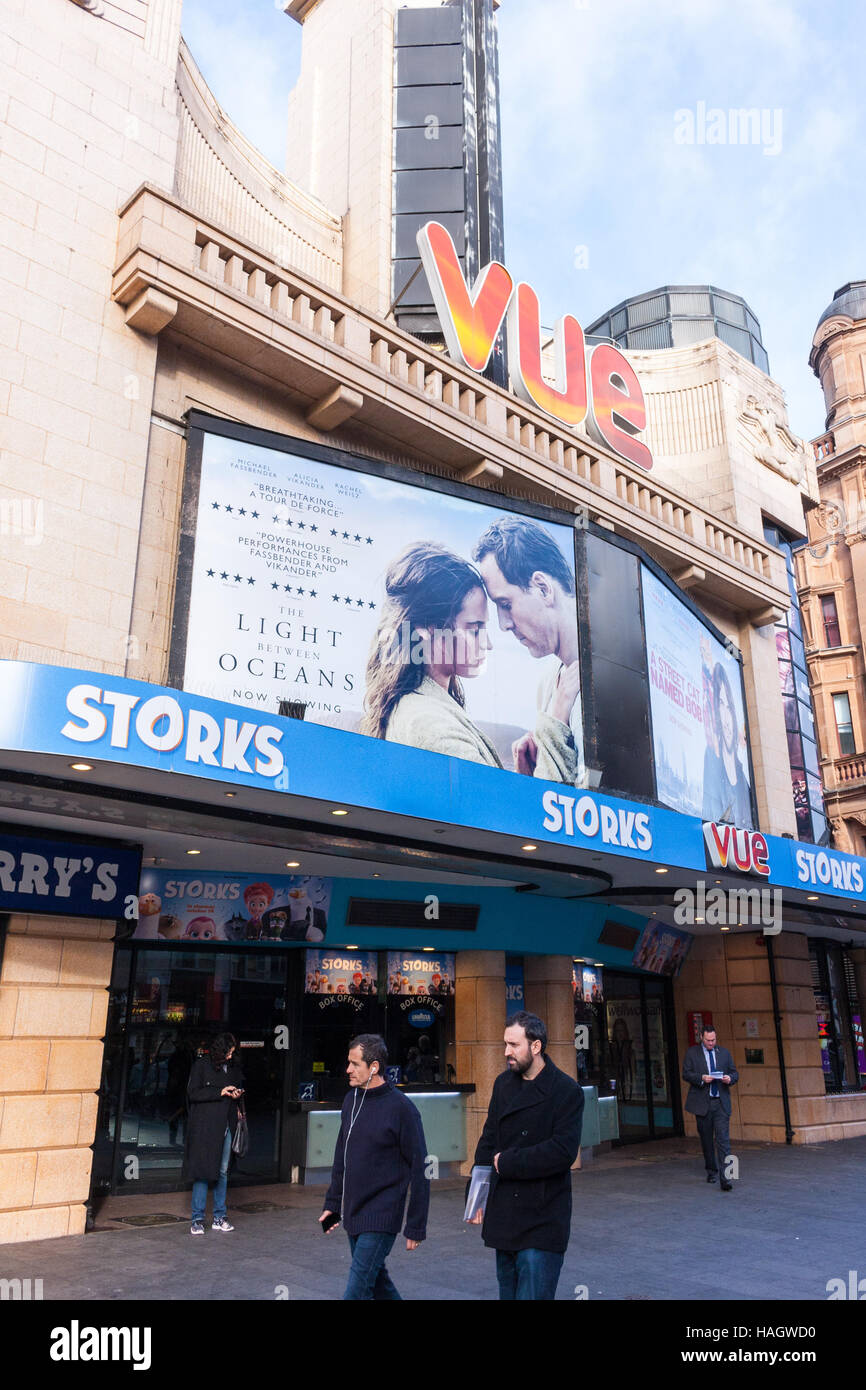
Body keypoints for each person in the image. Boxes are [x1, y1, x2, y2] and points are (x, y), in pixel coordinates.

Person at [361, 540, 576, 779]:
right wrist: (557, 721)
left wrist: (523, 783)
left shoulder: (426, 710)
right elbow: (504, 817)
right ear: (427, 629)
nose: (487, 643)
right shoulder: (429, 724)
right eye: (474, 628)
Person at [470, 1011, 584, 1300]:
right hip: (504, 1214)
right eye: (505, 1044)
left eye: (514, 1045)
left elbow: (563, 1152)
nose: (506, 1052)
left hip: (543, 1217)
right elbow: (488, 1140)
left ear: (536, 1047)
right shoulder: (502, 1083)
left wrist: (509, 1162)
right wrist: (477, 1196)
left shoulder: (566, 1090)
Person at [473, 515, 584, 785]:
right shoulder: (549, 685)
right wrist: (530, 782)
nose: (503, 624)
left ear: (543, 588)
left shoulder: (608, 674)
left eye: (506, 604)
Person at [320, 1034, 429, 1299]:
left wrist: (415, 1225)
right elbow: (341, 1156)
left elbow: (421, 1168)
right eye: (349, 1063)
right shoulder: (350, 1100)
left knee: (356, 1291)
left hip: (382, 1216)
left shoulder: (402, 1109)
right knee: (378, 1283)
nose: (348, 1069)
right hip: (353, 1212)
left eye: (355, 1064)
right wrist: (332, 1204)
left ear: (375, 1067)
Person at [183, 1032, 245, 1234]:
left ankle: (219, 1216)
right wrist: (219, 1092)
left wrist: (236, 1093)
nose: (230, 1056)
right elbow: (193, 1093)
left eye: (232, 1053)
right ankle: (197, 1218)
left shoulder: (233, 1068)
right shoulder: (201, 1065)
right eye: (228, 1052)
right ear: (220, 1050)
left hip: (227, 1123)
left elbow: (239, 1087)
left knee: (222, 1171)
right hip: (206, 1126)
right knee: (203, 1170)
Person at [682, 1025, 738, 1191]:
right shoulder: (692, 1053)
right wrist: (701, 1078)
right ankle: (711, 1171)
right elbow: (686, 1073)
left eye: (713, 1040)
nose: (711, 1043)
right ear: (701, 1037)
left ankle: (727, 1177)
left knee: (724, 1141)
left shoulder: (725, 1053)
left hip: (720, 1102)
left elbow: (735, 1073)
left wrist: (730, 1078)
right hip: (703, 1103)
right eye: (708, 1040)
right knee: (707, 1140)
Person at [702, 662, 752, 827]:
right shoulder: (711, 759)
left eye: (729, 707)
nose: (726, 720)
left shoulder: (743, 781)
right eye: (720, 705)